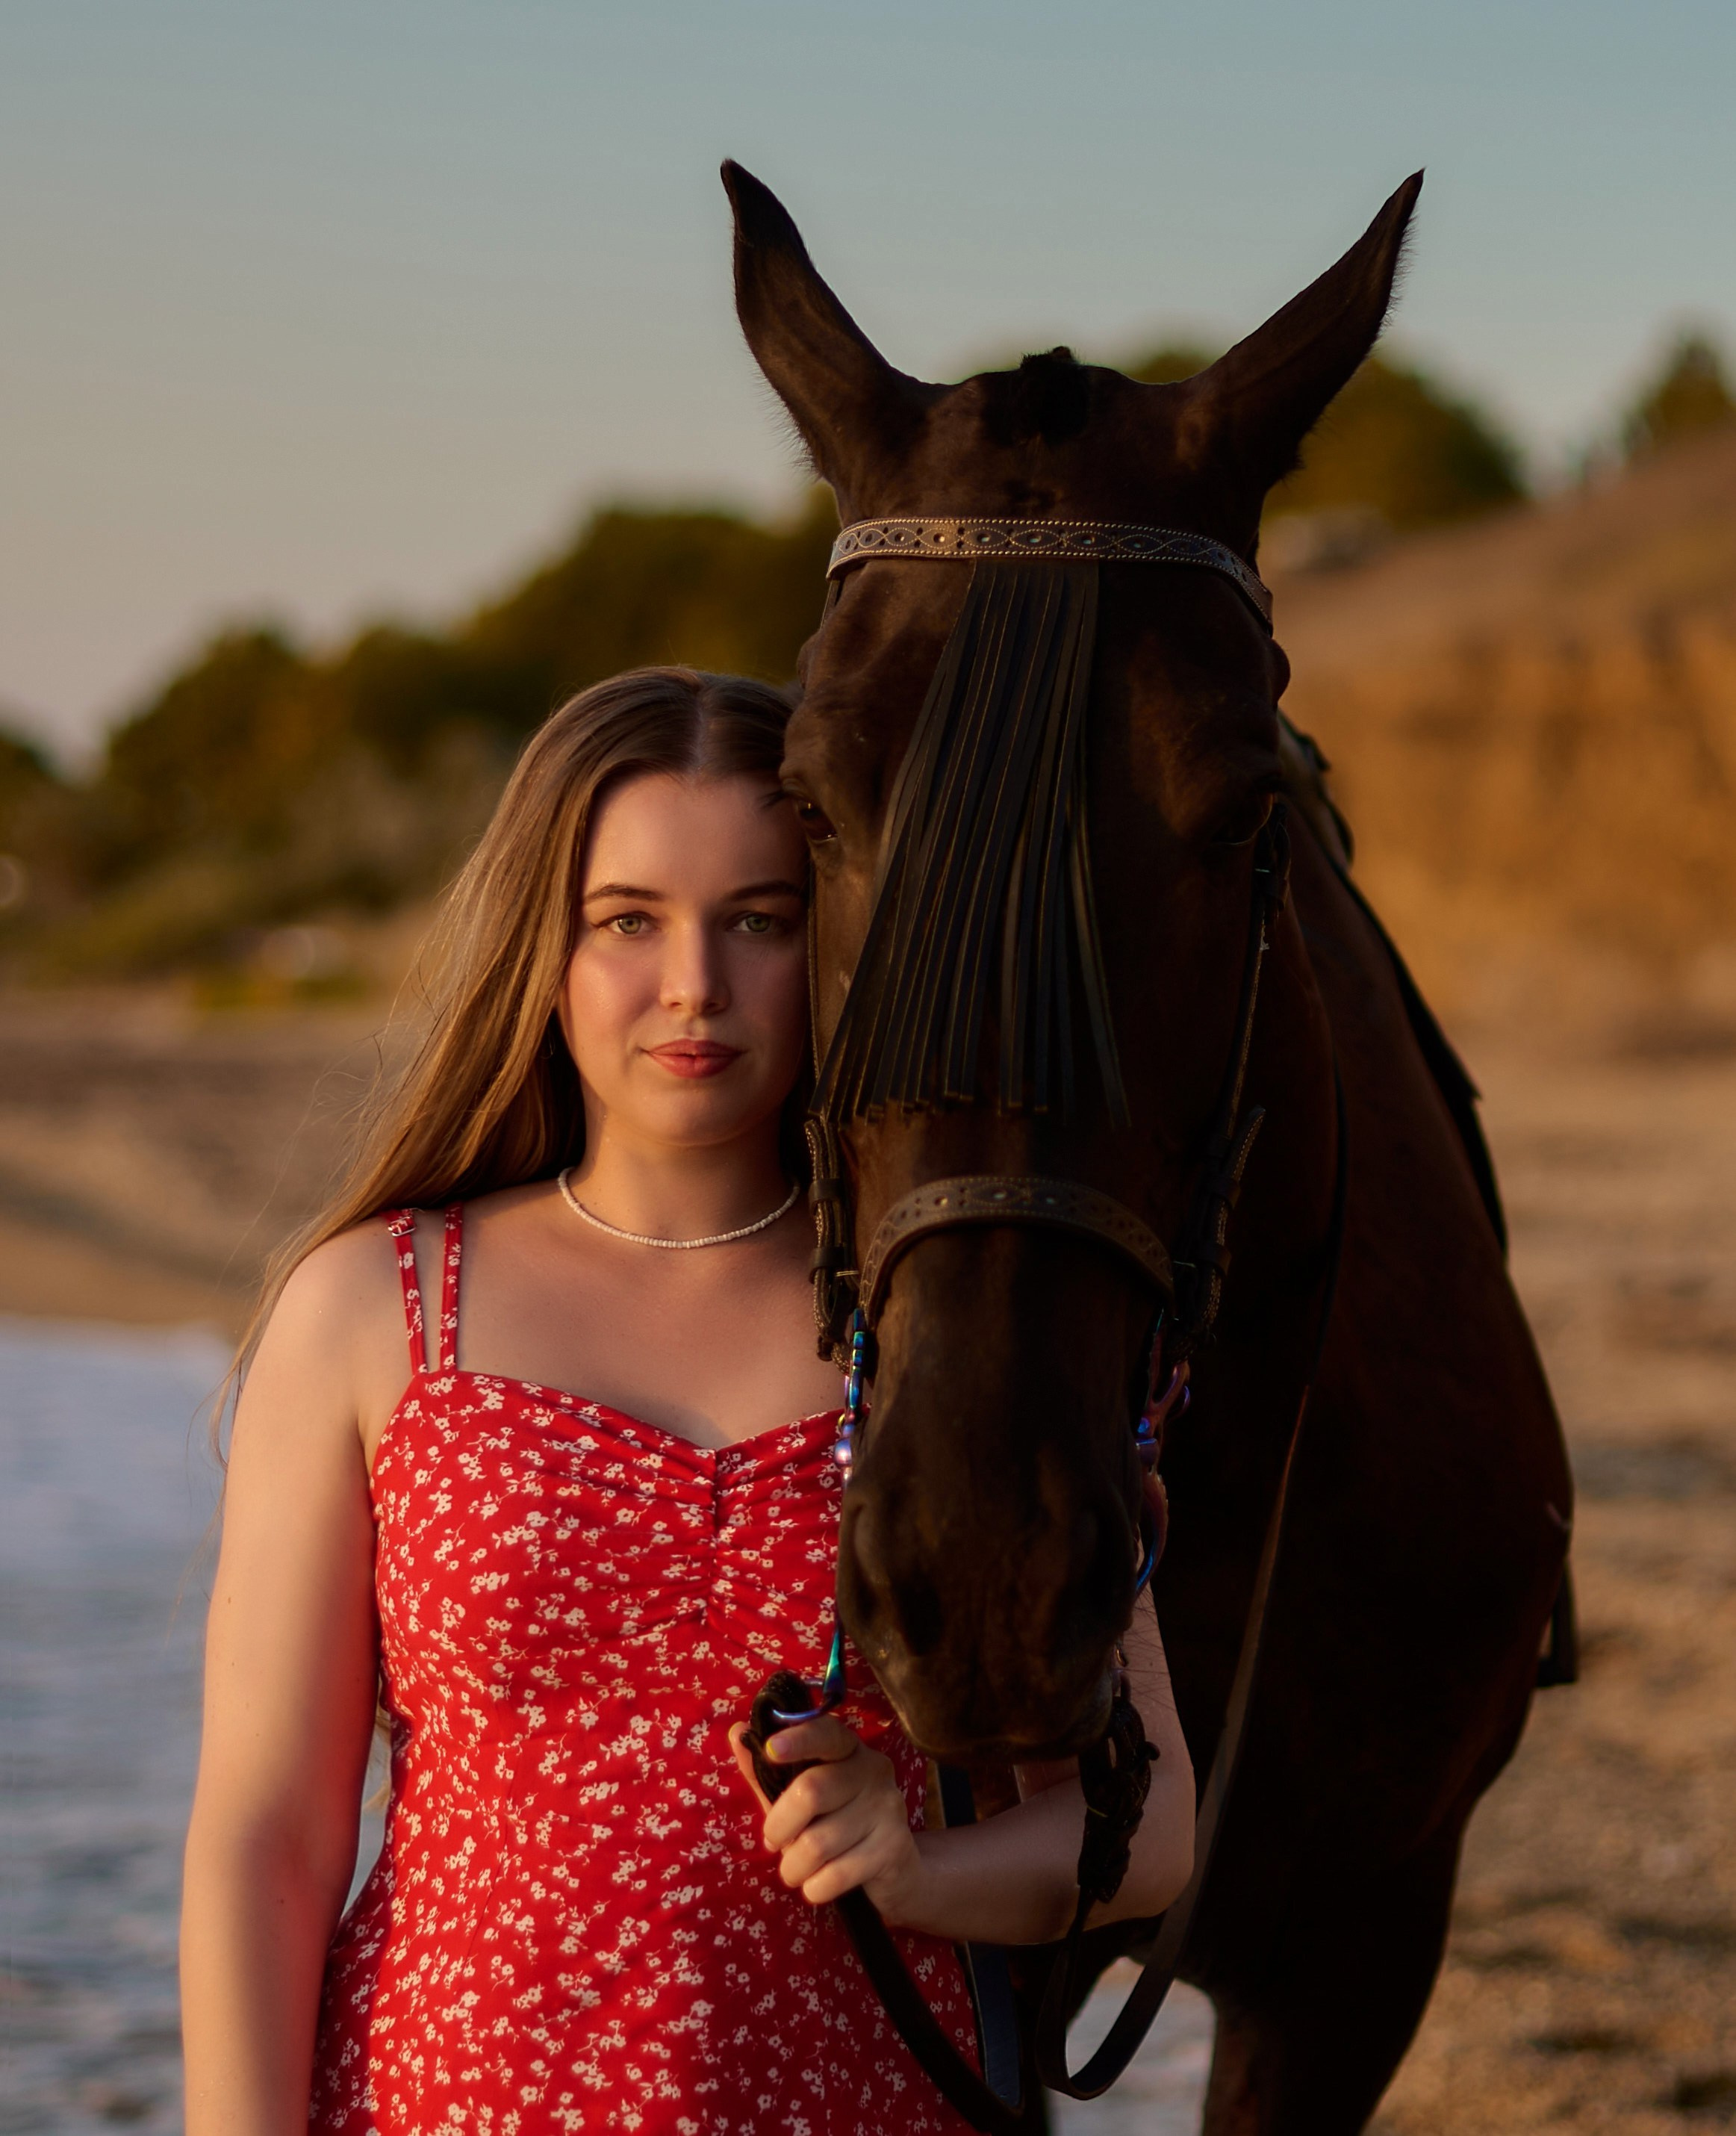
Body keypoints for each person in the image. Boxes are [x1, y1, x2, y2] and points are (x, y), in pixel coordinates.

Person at [179, 666, 1195, 2136]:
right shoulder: (376, 1307)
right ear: (545, 942)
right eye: (627, 919)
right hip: (441, 2101)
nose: (693, 985)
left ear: (834, 942)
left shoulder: (948, 1324)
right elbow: (267, 1835)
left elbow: (1140, 1823)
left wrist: (919, 1867)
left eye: (759, 920)